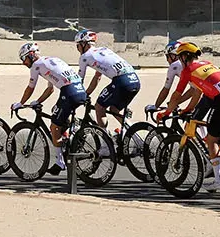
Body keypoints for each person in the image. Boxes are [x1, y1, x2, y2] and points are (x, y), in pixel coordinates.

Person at [160, 41, 220, 192]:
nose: (179, 61)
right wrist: (188, 109)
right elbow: (198, 92)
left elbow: (175, 96)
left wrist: (166, 113)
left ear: (185, 57)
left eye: (180, 58)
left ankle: (219, 180)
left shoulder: (188, 71)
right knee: (217, 126)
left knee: (211, 139)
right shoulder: (207, 63)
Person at [15, 42, 87, 173]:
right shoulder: (51, 61)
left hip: (69, 92)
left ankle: (60, 163)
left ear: (31, 55)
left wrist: (20, 103)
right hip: (80, 90)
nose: (23, 63)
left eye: (24, 59)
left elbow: (30, 88)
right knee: (57, 111)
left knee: (54, 126)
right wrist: (38, 101)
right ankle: (71, 136)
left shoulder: (36, 66)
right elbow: (50, 89)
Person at [74, 29, 139, 131]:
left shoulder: (84, 57)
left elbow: (78, 81)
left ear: (83, 44)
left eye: (77, 45)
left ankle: (105, 143)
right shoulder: (104, 50)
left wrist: (80, 96)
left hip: (121, 81)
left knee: (99, 107)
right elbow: (97, 77)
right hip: (134, 80)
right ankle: (133, 133)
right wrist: (87, 94)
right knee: (114, 109)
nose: (77, 48)